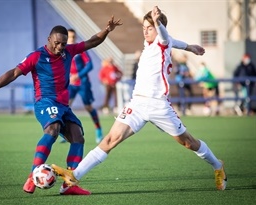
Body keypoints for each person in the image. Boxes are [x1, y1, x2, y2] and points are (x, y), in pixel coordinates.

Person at [52, 6, 227, 192]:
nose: (145, 30)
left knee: (188, 142)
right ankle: (75, 175)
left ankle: (217, 166)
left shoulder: (162, 41)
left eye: (149, 27)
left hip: (159, 105)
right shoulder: (149, 44)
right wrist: (190, 47)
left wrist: (158, 21)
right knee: (111, 139)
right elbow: (173, 40)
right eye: (144, 27)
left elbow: (167, 37)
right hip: (137, 104)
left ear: (159, 29)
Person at [0, 16, 122, 195]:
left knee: (78, 137)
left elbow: (93, 41)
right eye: (57, 43)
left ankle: (70, 184)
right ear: (49, 40)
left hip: (63, 105)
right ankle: (32, 177)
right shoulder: (37, 56)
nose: (60, 47)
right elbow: (13, 73)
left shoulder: (68, 51)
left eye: (63, 43)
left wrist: (107, 30)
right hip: (45, 101)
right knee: (53, 129)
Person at [64, 28, 103, 144]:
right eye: (69, 37)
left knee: (88, 107)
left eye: (73, 37)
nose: (71, 39)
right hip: (70, 84)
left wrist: (78, 75)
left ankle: (98, 129)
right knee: (65, 106)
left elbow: (90, 65)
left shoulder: (80, 49)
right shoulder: (63, 50)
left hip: (83, 83)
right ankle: (66, 132)